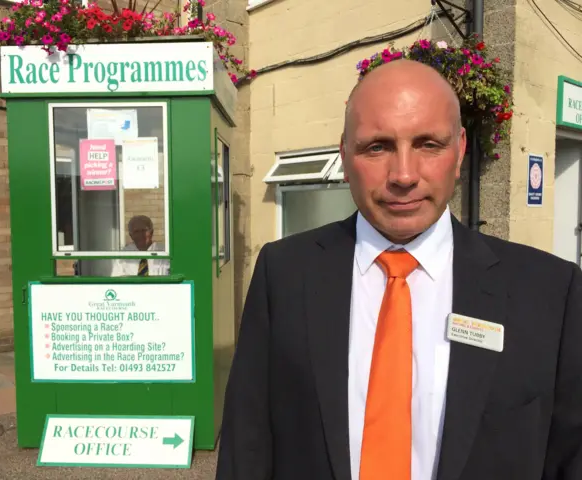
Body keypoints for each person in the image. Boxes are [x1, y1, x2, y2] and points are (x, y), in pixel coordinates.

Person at [215, 59, 582, 480]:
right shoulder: (283, 274)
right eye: (378, 147)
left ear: (460, 150)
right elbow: (247, 446)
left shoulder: (551, 292)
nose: (404, 175)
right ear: (345, 154)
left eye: (428, 144)